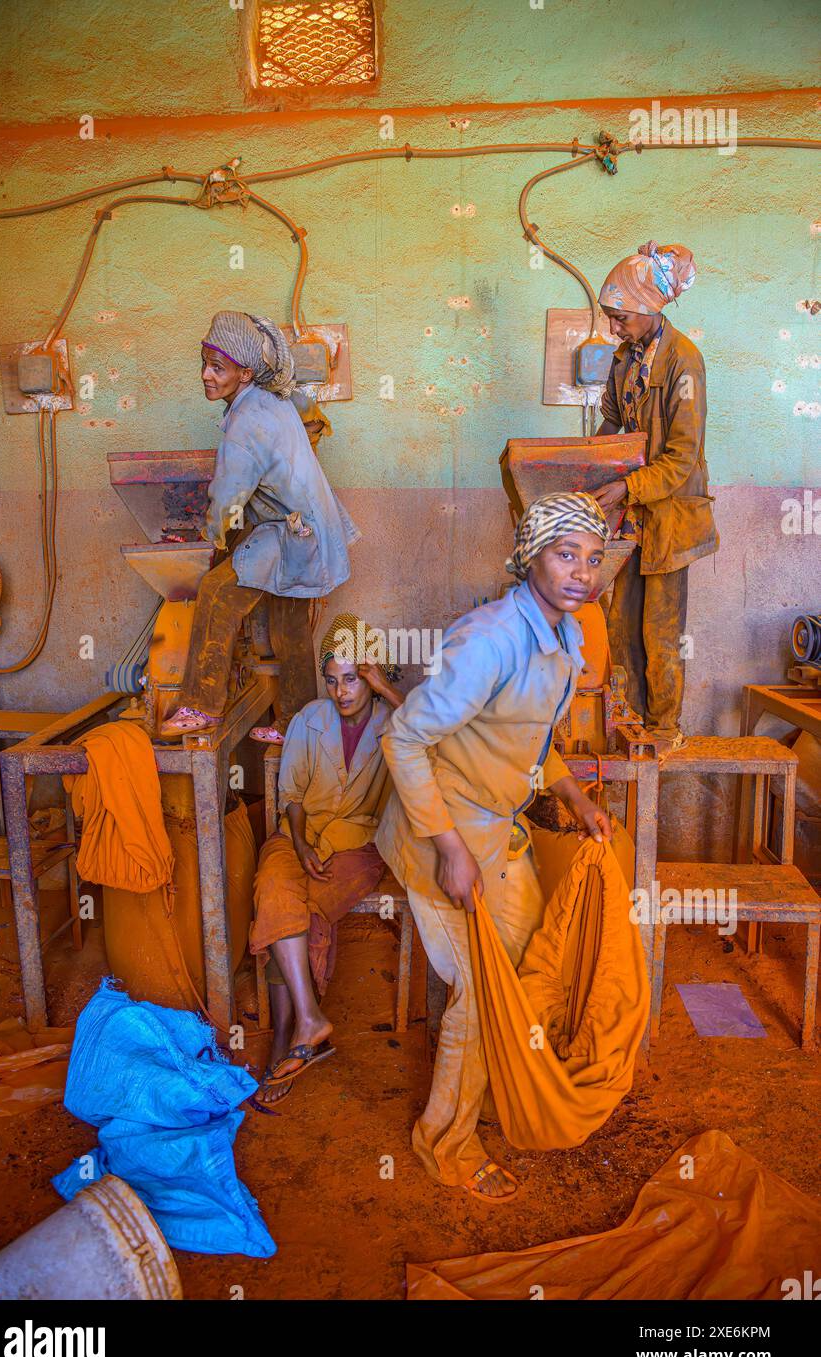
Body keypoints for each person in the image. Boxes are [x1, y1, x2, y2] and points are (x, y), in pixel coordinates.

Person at [376, 493, 613, 1203]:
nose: (581, 573)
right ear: (529, 557)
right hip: (440, 837)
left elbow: (533, 743)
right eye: (565, 555)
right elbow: (403, 738)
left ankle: (503, 1083)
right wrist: (448, 847)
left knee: (536, 962)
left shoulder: (563, 634)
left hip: (495, 832)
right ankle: (445, 1143)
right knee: (485, 995)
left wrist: (571, 797)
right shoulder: (488, 639)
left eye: (593, 559)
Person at [160, 311, 359, 741]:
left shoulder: (247, 422)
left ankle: (201, 706)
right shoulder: (272, 398)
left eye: (218, 368)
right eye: (205, 363)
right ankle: (298, 724)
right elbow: (298, 432)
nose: (206, 376)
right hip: (310, 528)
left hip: (293, 531)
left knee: (216, 593)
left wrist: (209, 540)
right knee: (289, 624)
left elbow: (229, 496)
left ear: (245, 372)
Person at [250, 613, 404, 1103]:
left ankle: (288, 1034)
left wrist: (389, 691)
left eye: (354, 679)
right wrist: (298, 846)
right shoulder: (308, 720)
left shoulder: (393, 723)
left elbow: (438, 735)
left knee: (308, 908)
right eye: (333, 681)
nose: (341, 692)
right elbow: (291, 796)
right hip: (298, 837)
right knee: (276, 889)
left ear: (372, 675)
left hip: (358, 847)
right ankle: (306, 1025)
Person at [590, 241, 718, 749]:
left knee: (659, 632)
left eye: (620, 318)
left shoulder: (684, 361)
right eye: (610, 318)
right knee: (620, 625)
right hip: (632, 520)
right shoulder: (626, 358)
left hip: (670, 516)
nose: (614, 329)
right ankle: (628, 722)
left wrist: (625, 486)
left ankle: (664, 730)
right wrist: (587, 462)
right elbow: (614, 424)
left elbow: (682, 459)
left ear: (648, 309)